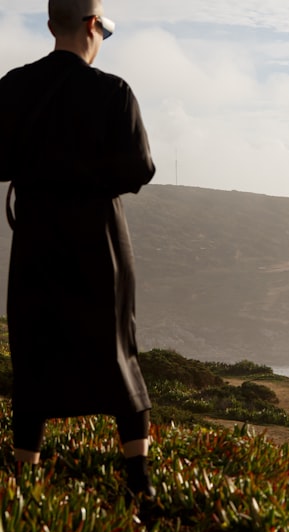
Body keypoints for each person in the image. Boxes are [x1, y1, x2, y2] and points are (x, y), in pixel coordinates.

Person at [0, 0, 156, 500]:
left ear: (51, 25)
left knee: (33, 348)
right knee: (116, 349)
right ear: (93, 25)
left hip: (35, 238)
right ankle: (140, 485)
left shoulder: (14, 85)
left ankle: (24, 484)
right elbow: (139, 168)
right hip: (100, 240)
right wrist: (85, 176)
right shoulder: (113, 91)